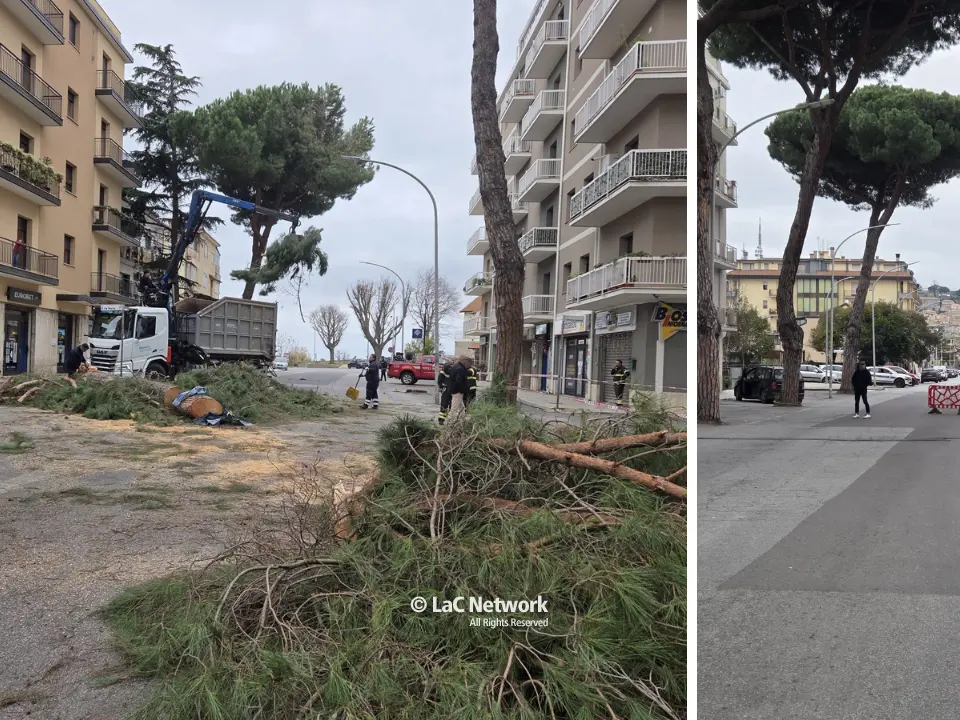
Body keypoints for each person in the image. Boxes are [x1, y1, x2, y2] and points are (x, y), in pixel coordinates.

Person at [438, 356, 469, 426]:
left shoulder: (454, 367)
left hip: (451, 389)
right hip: (452, 389)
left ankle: (462, 421)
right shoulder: (454, 368)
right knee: (449, 406)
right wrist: (440, 385)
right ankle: (447, 422)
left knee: (460, 407)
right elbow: (458, 381)